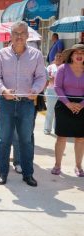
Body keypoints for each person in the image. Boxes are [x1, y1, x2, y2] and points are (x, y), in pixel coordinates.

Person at [0, 21, 46, 187]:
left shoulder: (36, 55)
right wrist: (3, 91)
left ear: (28, 36)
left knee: (26, 140)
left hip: (26, 104)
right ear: (11, 36)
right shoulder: (1, 54)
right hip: (7, 103)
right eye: (16, 33)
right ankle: (2, 172)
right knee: (4, 139)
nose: (19, 36)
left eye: (22, 33)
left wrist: (35, 90)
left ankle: (28, 174)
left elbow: (41, 77)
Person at [52, 44, 84, 177]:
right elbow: (57, 87)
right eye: (76, 52)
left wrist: (81, 104)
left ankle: (78, 166)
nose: (79, 55)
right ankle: (57, 165)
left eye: (82, 52)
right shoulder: (62, 68)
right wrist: (68, 103)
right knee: (61, 137)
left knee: (81, 139)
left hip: (83, 107)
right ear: (71, 55)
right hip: (64, 106)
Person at [44, 52, 62, 135]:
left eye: (60, 56)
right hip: (51, 90)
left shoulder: (65, 67)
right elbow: (47, 79)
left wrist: (55, 80)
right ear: (54, 57)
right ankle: (47, 129)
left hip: (62, 91)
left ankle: (57, 130)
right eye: (57, 56)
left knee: (59, 112)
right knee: (50, 111)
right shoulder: (50, 67)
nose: (58, 57)